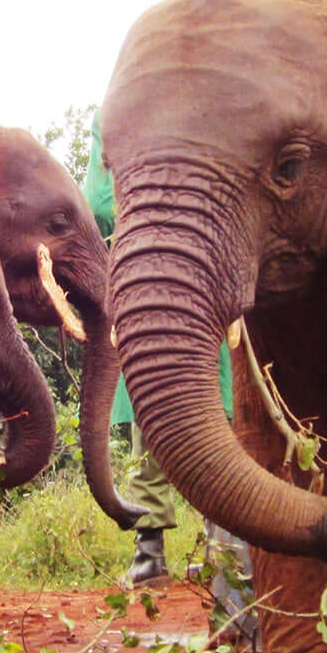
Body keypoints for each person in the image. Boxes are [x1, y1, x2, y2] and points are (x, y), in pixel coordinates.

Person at [82, 112, 233, 587]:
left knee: (153, 402)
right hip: (210, 272)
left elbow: (99, 203)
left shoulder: (114, 113)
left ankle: (150, 557)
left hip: (144, 278)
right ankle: (224, 552)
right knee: (219, 411)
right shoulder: (219, 103)